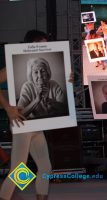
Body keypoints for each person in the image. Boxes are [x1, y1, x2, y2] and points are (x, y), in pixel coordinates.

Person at [0, 30, 74, 200]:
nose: (45, 46)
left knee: (45, 168)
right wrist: (8, 108)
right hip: (22, 124)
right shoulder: (15, 66)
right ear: (30, 44)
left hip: (37, 126)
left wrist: (68, 79)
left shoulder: (51, 80)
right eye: (42, 43)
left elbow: (62, 103)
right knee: (19, 170)